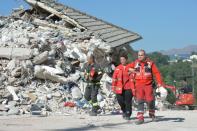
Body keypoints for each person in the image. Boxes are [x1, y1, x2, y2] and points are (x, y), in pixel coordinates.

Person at [128, 49, 164, 124]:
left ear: (145, 55)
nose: (140, 56)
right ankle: (140, 118)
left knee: (150, 100)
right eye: (139, 55)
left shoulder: (150, 63)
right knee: (140, 100)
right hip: (138, 85)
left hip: (148, 85)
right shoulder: (135, 63)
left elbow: (157, 73)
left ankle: (152, 113)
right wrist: (132, 70)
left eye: (141, 55)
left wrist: (160, 82)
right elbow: (127, 67)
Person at [112, 53, 135, 120]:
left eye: (123, 59)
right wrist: (113, 87)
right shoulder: (118, 68)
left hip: (129, 87)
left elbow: (136, 75)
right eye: (121, 60)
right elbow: (114, 78)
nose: (122, 61)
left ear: (126, 60)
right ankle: (124, 110)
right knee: (120, 101)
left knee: (128, 101)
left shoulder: (131, 68)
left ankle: (128, 113)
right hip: (119, 88)